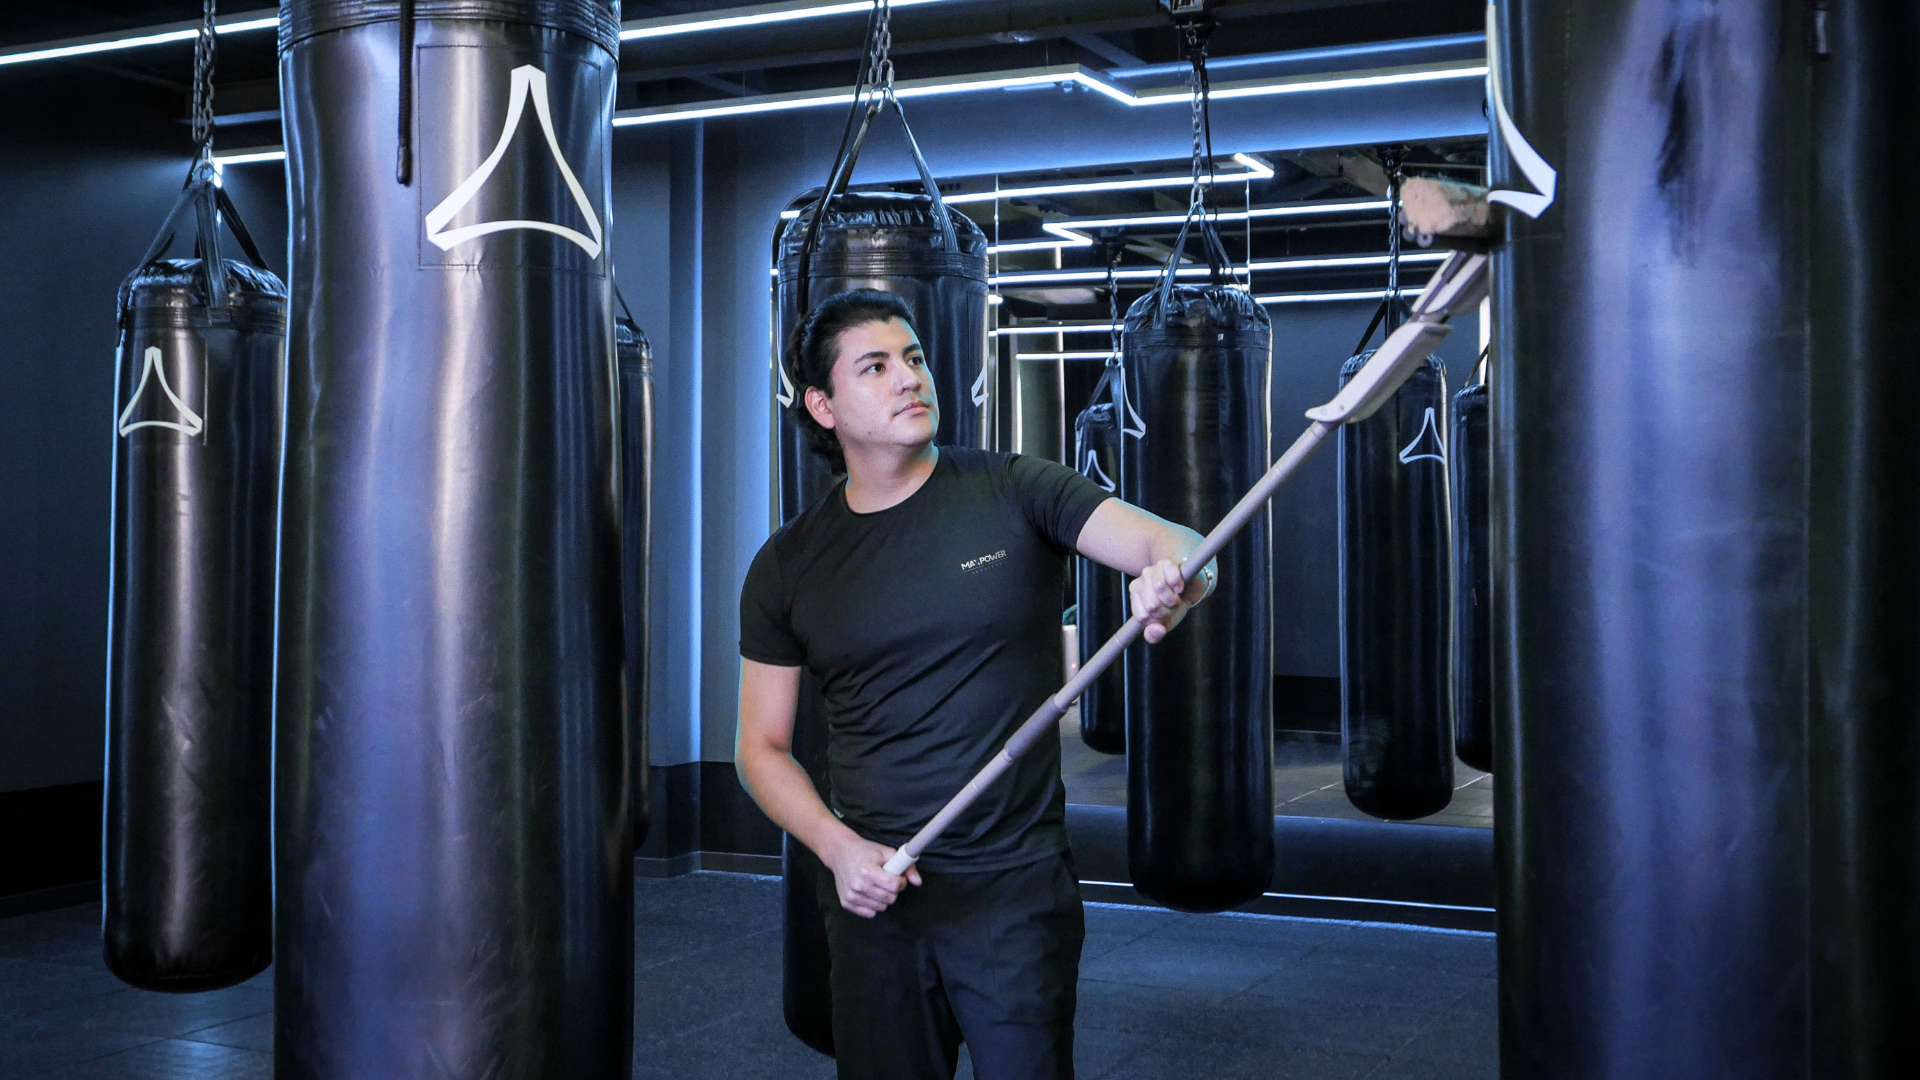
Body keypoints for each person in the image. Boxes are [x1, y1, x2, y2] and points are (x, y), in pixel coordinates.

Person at [736, 288, 1214, 1080]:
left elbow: (1182, 544)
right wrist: (838, 850)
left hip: (1013, 892)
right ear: (823, 406)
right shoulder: (787, 565)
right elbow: (760, 749)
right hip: (875, 895)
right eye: (877, 366)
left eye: (915, 359)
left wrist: (1171, 575)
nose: (909, 379)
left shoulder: (1017, 490)